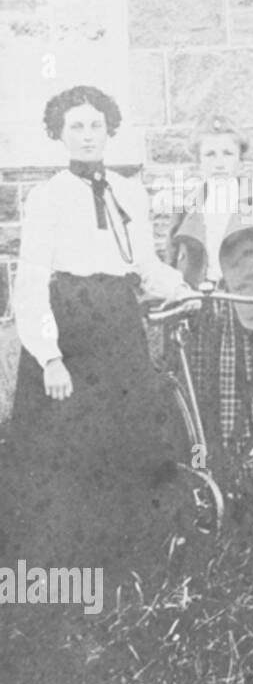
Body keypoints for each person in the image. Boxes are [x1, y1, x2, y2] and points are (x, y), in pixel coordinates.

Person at [8, 85, 197, 564]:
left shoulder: (127, 191)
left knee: (126, 436)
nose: (88, 135)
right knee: (70, 447)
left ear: (109, 131)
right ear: (59, 134)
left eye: (96, 125)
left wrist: (185, 288)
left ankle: (125, 558)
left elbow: (145, 266)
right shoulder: (48, 197)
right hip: (69, 329)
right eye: (76, 126)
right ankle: (66, 563)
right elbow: (30, 280)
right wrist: (49, 357)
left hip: (118, 325)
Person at [169, 113, 253, 491]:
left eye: (228, 153)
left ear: (240, 159)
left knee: (244, 415)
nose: (220, 161)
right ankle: (211, 495)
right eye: (210, 154)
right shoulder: (188, 206)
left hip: (247, 321)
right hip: (199, 318)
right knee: (199, 411)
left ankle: (252, 500)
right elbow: (170, 266)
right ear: (199, 162)